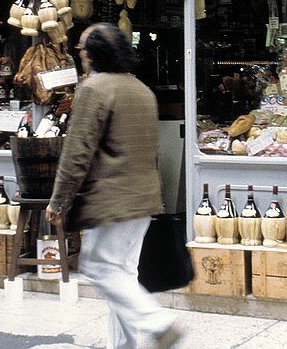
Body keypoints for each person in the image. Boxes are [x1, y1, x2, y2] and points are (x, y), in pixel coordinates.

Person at [47, 23, 182, 349]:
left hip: (111, 201)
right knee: (123, 274)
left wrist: (59, 201)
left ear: (93, 54)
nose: (79, 54)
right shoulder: (142, 90)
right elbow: (154, 151)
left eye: (81, 48)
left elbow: (77, 152)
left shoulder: (94, 88)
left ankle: (158, 322)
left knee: (99, 267)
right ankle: (124, 345)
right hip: (145, 199)